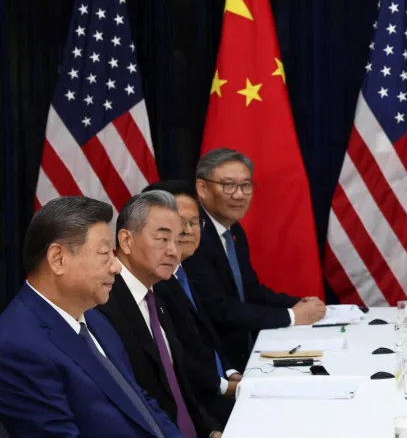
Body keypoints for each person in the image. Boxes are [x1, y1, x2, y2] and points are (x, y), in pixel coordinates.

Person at [0, 196, 181, 438]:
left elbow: (141, 402)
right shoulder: (18, 346)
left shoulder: (95, 318)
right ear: (58, 259)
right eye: (105, 253)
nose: (116, 267)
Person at [184, 148, 327, 369]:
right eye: (228, 185)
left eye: (245, 185)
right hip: (217, 363)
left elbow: (249, 290)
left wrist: (296, 304)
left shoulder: (233, 230)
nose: (239, 195)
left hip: (245, 351)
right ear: (202, 188)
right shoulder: (193, 236)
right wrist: (291, 316)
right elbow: (218, 308)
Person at [98, 191, 222, 438]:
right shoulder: (102, 302)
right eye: (163, 239)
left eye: (178, 240)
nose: (173, 251)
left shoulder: (159, 294)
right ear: (125, 240)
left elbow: (177, 382)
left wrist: (209, 431)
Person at [145, 180, 239, 427]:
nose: (187, 231)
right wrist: (225, 386)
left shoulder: (184, 270)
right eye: (178, 224)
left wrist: (230, 372)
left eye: (194, 222)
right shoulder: (155, 282)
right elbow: (179, 364)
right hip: (200, 408)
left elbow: (207, 339)